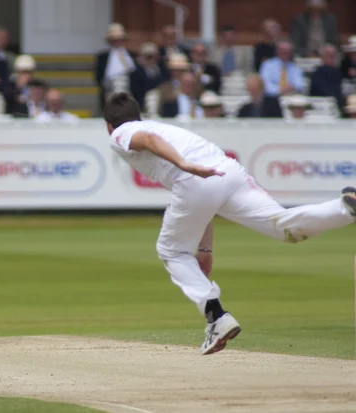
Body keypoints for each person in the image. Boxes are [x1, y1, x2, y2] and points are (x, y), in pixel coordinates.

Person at [104, 92, 356, 355]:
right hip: (227, 171)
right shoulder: (159, 126)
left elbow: (147, 141)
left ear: (108, 125)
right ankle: (344, 208)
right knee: (283, 227)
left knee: (171, 251)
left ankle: (217, 318)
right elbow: (203, 202)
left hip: (196, 178)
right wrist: (205, 249)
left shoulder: (123, 132)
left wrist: (184, 165)